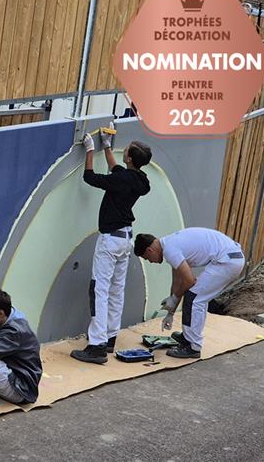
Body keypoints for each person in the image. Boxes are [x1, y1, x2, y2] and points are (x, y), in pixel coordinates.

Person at [70, 125, 152, 364]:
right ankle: (110, 338)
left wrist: (90, 150)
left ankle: (96, 345)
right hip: (125, 240)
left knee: (99, 291)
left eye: (124, 151)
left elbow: (89, 177)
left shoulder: (121, 179)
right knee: (116, 291)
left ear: (129, 157)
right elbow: (118, 171)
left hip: (110, 241)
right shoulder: (140, 180)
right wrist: (107, 148)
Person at [133, 228, 245, 358]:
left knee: (194, 298)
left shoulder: (170, 250)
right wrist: (170, 313)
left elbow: (189, 281)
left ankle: (193, 346)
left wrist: (174, 298)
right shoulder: (170, 244)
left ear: (149, 250)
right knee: (197, 297)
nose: (151, 262)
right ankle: (189, 337)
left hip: (228, 262)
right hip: (231, 257)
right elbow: (177, 282)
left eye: (147, 259)